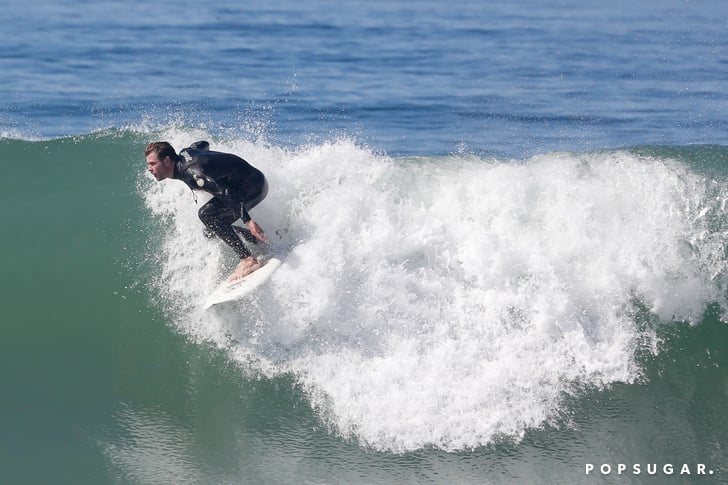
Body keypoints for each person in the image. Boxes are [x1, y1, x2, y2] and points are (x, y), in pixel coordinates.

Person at [145, 140, 268, 282]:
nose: (149, 168)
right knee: (211, 231)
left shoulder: (193, 174)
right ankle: (257, 240)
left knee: (206, 215)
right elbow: (202, 144)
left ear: (167, 160)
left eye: (152, 163)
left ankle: (248, 259)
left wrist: (248, 221)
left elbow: (225, 192)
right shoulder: (185, 152)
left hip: (253, 186)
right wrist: (208, 162)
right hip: (248, 181)